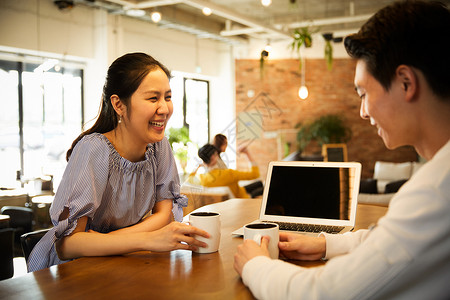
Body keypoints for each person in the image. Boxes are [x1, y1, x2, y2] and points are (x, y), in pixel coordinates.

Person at [234, 1, 450, 299]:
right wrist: (326, 244)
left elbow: (322, 293)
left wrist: (254, 264)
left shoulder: (437, 190)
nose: (362, 111)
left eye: (363, 93)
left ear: (405, 82)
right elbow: (390, 243)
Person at [27, 53, 209, 272]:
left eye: (167, 97)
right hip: (73, 271)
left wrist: (110, 240)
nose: (164, 109)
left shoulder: (159, 147)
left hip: (119, 261)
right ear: (118, 104)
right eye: (153, 98)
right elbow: (68, 245)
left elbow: (165, 215)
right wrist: (148, 239)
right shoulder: (94, 149)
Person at [189, 144, 260, 198]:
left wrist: (198, 167)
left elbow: (190, 178)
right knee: (262, 185)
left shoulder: (203, 179)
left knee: (259, 184)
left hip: (230, 200)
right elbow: (255, 174)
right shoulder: (229, 173)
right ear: (213, 157)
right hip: (243, 199)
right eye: (216, 154)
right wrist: (247, 153)